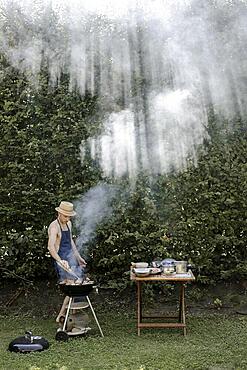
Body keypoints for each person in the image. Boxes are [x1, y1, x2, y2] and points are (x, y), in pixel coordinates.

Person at [48, 201, 87, 322]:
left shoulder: (68, 224)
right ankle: (61, 315)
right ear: (59, 213)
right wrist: (60, 261)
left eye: (69, 216)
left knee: (76, 284)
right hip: (60, 258)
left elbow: (70, 242)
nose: (68, 218)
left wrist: (78, 257)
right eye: (65, 215)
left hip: (70, 257)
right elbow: (50, 247)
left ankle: (73, 315)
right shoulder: (54, 227)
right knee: (72, 284)